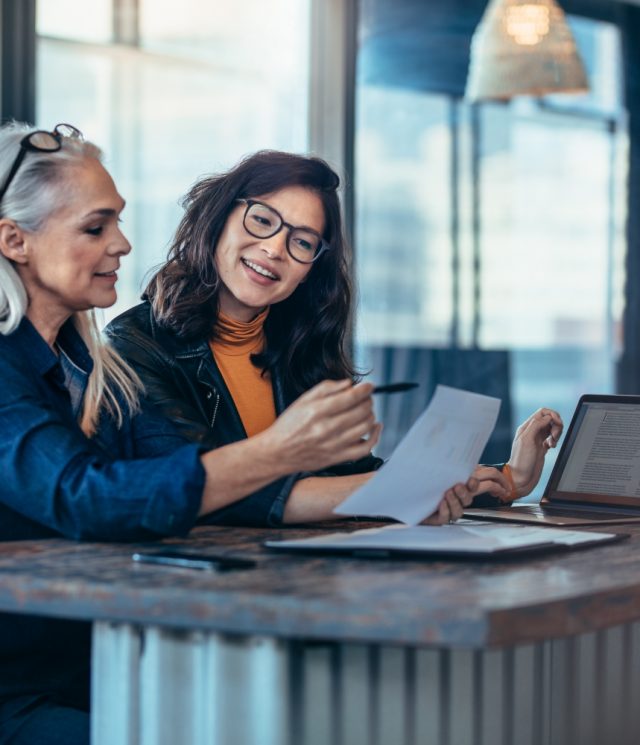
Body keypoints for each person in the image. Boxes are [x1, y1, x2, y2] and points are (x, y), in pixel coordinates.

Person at [0, 125, 480, 744]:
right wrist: (283, 450)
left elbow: (198, 480)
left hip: (102, 662)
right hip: (25, 685)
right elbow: (87, 495)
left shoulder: (92, 367)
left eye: (117, 221)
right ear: (14, 240)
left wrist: (415, 487)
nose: (121, 243)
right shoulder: (93, 355)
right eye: (96, 228)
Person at [106, 149, 563, 517]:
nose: (274, 249)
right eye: (262, 220)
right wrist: (399, 490)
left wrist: (506, 480)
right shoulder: (134, 345)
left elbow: (351, 477)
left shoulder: (299, 347)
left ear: (311, 269)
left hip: (308, 580)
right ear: (218, 217)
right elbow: (208, 489)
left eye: (302, 242)